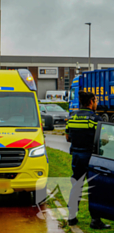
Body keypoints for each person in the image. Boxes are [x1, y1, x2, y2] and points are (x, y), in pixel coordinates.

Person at [66, 91, 110, 229]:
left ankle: (72, 217)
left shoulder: (72, 118)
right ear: (91, 102)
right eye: (96, 100)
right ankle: (95, 221)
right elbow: (104, 139)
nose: (97, 103)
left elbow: (68, 138)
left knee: (76, 186)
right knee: (94, 188)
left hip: (76, 157)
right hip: (91, 158)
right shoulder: (94, 119)